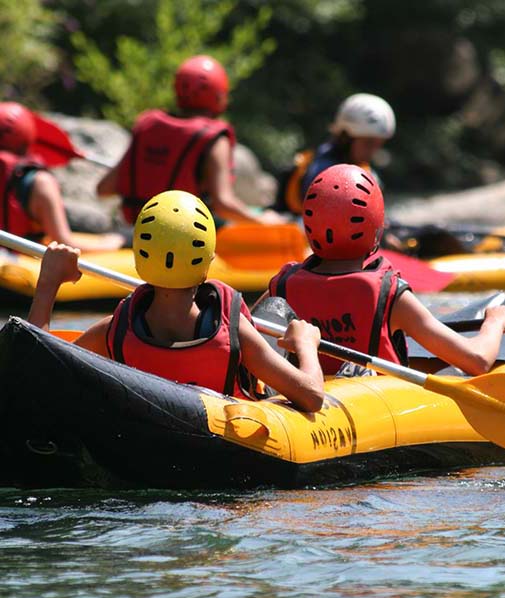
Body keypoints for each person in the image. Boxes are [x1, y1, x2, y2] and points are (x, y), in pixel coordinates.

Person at [27, 190, 324, 412]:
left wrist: (48, 284)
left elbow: (39, 374)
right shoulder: (234, 332)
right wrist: (306, 345)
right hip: (227, 446)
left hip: (147, 445)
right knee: (276, 310)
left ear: (141, 258)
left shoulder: (115, 331)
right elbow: (311, 397)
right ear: (207, 262)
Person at [259, 163, 505, 377]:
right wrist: (495, 321)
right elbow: (477, 361)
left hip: (302, 404)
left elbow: (244, 334)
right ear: (376, 224)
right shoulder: (389, 294)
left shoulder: (281, 286)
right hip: (374, 408)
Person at [97, 55, 284, 227]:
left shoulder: (148, 125)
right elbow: (223, 204)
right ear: (219, 96)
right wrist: (261, 219)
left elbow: (104, 188)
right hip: (184, 236)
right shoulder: (215, 140)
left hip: (137, 230)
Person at [0, 102, 125, 252]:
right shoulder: (41, 183)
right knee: (123, 236)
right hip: (17, 265)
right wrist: (112, 243)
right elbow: (64, 243)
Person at [274, 93, 396, 215]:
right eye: (368, 143)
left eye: (378, 144)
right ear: (346, 138)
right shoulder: (323, 171)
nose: (373, 151)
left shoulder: (366, 171)